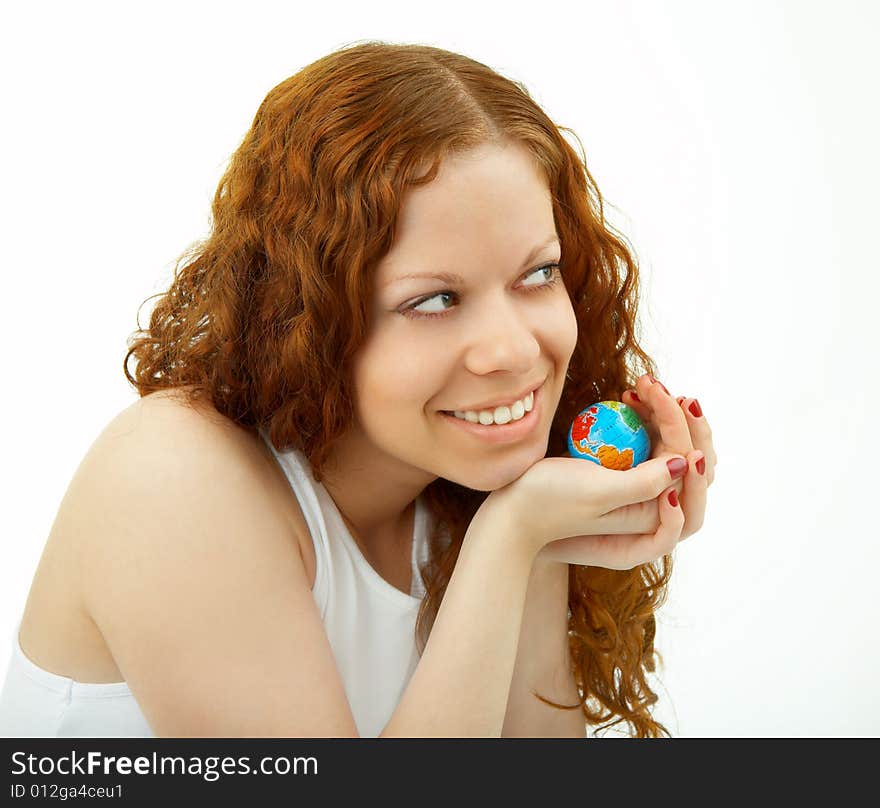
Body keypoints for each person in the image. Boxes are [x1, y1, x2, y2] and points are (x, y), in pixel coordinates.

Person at [0, 41, 716, 739]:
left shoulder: (465, 478)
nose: (515, 350)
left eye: (537, 274)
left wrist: (538, 541)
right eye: (434, 300)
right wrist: (513, 536)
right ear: (304, 315)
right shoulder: (171, 476)